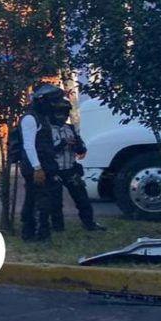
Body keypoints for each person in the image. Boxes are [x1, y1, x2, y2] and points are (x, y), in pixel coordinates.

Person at [16, 84, 66, 242]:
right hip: (37, 168)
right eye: (52, 102)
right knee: (41, 201)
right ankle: (40, 234)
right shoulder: (30, 118)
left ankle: (30, 233)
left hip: (44, 166)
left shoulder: (42, 118)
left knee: (34, 199)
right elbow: (29, 145)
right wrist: (37, 168)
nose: (54, 105)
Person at [49, 99, 105, 232]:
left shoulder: (71, 129)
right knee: (55, 202)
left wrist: (76, 145)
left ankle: (89, 224)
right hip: (54, 170)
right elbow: (45, 151)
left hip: (71, 169)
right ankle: (58, 228)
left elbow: (82, 150)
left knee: (82, 198)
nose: (63, 116)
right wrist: (62, 144)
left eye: (65, 113)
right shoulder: (47, 130)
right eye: (59, 112)